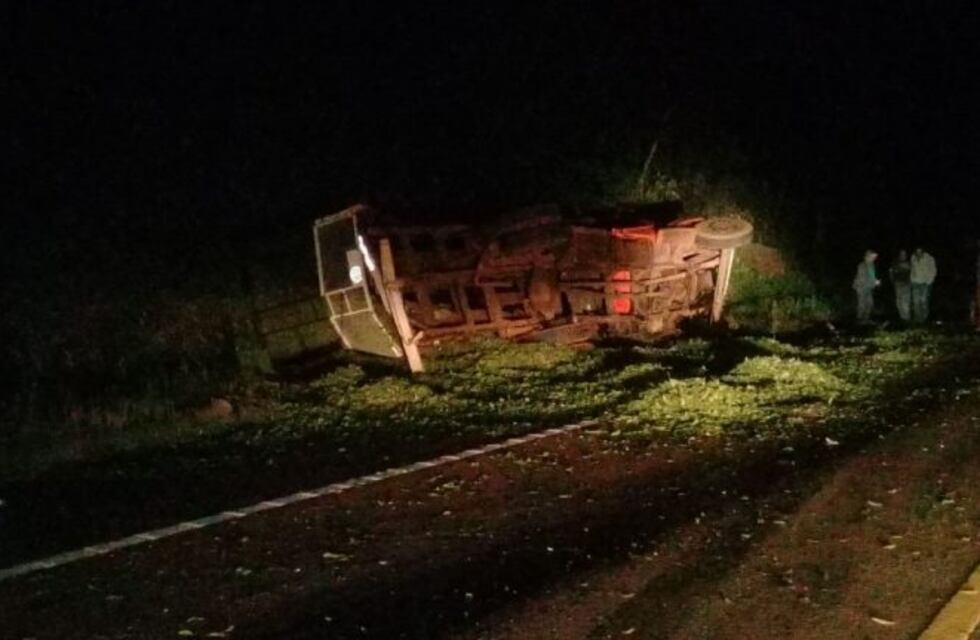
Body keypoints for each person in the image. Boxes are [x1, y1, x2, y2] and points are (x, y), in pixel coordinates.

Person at [910, 247, 937, 323]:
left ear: (923, 251)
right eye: (917, 251)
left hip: (925, 283)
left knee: (924, 301)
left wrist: (929, 282)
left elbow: (933, 270)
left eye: (920, 251)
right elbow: (912, 269)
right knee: (915, 301)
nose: (918, 253)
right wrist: (912, 279)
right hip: (915, 282)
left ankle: (924, 318)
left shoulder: (929, 258)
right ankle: (917, 319)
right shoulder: (913, 258)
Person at [852, 250, 879, 325]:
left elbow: (871, 276)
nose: (874, 258)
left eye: (875, 257)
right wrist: (874, 282)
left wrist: (875, 281)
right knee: (862, 304)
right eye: (872, 256)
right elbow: (863, 279)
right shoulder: (862, 266)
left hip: (868, 287)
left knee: (870, 303)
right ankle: (859, 319)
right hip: (861, 287)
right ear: (867, 257)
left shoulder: (872, 265)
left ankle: (866, 319)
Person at [889, 249, 911, 323]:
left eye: (904, 254)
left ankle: (906, 317)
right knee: (899, 301)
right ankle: (902, 317)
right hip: (898, 284)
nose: (903, 255)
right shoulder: (895, 262)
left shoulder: (909, 263)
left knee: (905, 301)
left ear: (906, 255)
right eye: (901, 254)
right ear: (899, 254)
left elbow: (913, 273)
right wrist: (893, 281)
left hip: (906, 284)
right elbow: (891, 272)